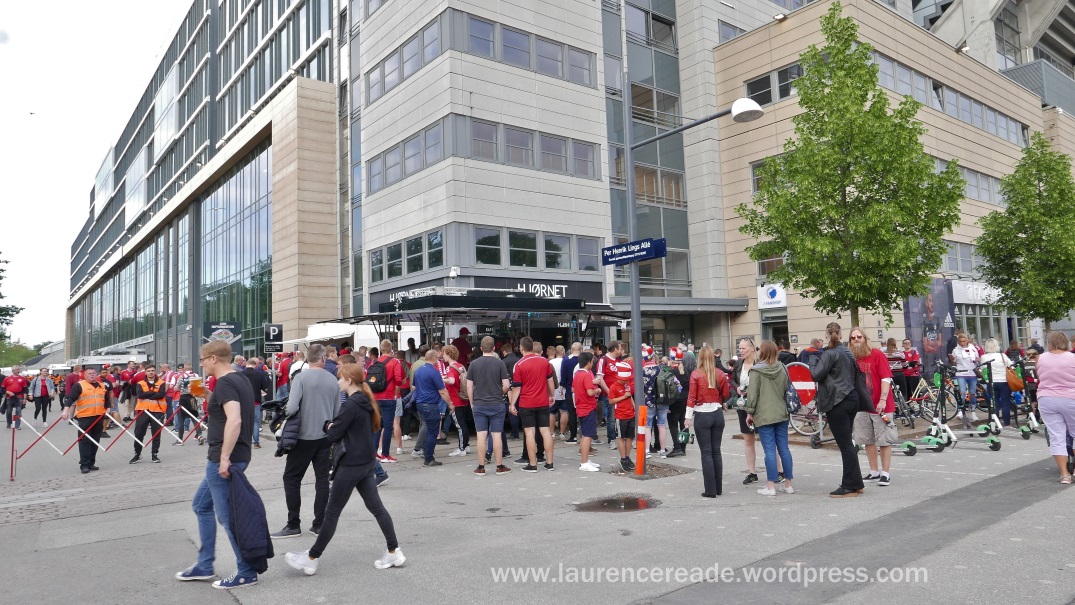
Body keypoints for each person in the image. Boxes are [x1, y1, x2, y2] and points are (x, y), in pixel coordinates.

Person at [283, 363, 405, 575]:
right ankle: (394, 550)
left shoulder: (351, 405)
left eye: (340, 378)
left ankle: (311, 558)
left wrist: (328, 426)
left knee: (331, 513)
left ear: (349, 380)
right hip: (365, 462)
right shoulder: (365, 401)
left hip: (350, 464)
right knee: (377, 508)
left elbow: (333, 434)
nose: (338, 381)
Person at [174, 339, 260, 589]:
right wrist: (207, 395)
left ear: (213, 358)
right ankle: (205, 565)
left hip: (225, 457)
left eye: (202, 359)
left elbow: (235, 420)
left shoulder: (226, 382)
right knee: (201, 505)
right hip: (233, 455)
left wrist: (224, 458)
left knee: (226, 516)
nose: (201, 364)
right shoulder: (238, 379)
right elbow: (228, 409)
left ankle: (246, 571)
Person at [273, 344, 340, 539]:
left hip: (303, 437)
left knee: (292, 478)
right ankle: (319, 524)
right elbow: (337, 412)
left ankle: (293, 523)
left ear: (308, 359)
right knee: (322, 480)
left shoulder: (300, 378)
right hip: (325, 437)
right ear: (323, 358)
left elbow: (292, 408)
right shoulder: (332, 379)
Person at [809, 322, 865, 498]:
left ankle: (850, 486)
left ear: (826, 335)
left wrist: (813, 361)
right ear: (840, 335)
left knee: (845, 445)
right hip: (851, 397)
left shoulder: (829, 353)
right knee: (848, 443)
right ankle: (856, 483)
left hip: (837, 401)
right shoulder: (847, 352)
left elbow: (816, 375)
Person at [745, 341, 794, 496]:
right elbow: (786, 388)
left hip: (764, 414)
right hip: (781, 412)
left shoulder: (756, 371)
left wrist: (749, 412)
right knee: (784, 449)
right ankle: (788, 484)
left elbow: (752, 395)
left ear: (763, 352)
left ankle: (771, 486)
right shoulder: (782, 367)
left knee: (769, 451)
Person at [850, 328, 896, 487]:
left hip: (880, 405)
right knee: (867, 440)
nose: (856, 339)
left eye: (859, 336)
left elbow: (886, 378)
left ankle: (886, 473)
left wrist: (882, 400)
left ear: (865, 338)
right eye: (853, 337)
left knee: (884, 440)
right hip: (861, 406)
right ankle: (874, 471)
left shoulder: (876, 354)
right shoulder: (852, 358)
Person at [685, 346, 731, 498]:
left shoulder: (696, 374)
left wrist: (687, 417)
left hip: (702, 415)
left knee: (706, 452)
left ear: (700, 358)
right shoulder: (720, 373)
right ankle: (718, 488)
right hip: (717, 414)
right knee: (716, 451)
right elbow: (726, 394)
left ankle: (710, 490)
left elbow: (692, 397)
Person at [510, 336, 556, 472]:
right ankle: (549, 462)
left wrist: (512, 404)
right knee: (545, 431)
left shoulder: (519, 364)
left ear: (521, 348)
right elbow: (550, 380)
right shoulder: (544, 362)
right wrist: (551, 395)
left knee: (529, 432)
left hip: (527, 402)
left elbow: (517, 387)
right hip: (543, 401)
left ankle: (532, 464)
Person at [467, 336, 512, 475]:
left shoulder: (474, 364)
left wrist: (472, 402)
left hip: (479, 403)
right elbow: (507, 385)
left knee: (481, 435)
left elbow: (469, 386)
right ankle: (499, 466)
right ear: (494, 348)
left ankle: (481, 467)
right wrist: (499, 393)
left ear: (481, 348)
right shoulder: (499, 363)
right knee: (496, 435)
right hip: (496, 403)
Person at [1034, 331, 1075, 484]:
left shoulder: (1041, 358)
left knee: (1057, 436)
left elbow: (1040, 375)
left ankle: (1064, 474)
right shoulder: (1073, 357)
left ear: (1049, 343)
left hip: (1047, 399)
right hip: (1071, 398)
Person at [62, 367, 111, 474]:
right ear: (85, 375)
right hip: (85, 417)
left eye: (94, 373)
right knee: (85, 441)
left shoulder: (101, 385)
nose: (92, 375)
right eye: (89, 373)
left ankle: (91, 463)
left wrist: (108, 408)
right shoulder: (79, 385)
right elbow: (71, 398)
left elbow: (106, 399)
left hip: (99, 416)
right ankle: (84, 464)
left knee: (95, 440)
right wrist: (65, 410)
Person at [729, 338, 763, 484]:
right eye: (740, 348)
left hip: (760, 406)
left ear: (752, 348)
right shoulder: (738, 365)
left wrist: (753, 391)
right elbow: (732, 380)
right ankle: (752, 473)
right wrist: (737, 388)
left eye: (743, 348)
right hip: (743, 406)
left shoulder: (760, 364)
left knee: (767, 439)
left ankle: (779, 471)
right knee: (748, 439)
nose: (741, 351)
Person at [412, 349, 453, 466]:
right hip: (431, 404)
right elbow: (443, 391)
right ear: (434, 359)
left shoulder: (418, 370)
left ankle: (425, 451)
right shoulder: (434, 372)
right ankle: (429, 458)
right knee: (433, 431)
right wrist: (450, 404)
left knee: (426, 426)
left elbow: (414, 387)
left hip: (420, 404)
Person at [370, 340, 404, 464]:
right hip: (389, 397)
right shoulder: (395, 362)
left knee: (377, 425)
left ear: (380, 349)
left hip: (375, 397)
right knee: (388, 426)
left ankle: (374, 452)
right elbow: (399, 379)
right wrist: (395, 393)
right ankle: (385, 454)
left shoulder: (374, 362)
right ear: (391, 349)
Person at [131, 364, 168, 464]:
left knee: (156, 433)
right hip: (143, 411)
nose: (151, 372)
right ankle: (137, 454)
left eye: (152, 370)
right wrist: (153, 393)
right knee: (139, 433)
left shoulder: (161, 382)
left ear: (155, 372)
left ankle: (154, 454)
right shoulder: (141, 383)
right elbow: (140, 395)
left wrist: (147, 394)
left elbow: (161, 395)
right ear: (145, 372)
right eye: (148, 371)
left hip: (157, 410)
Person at [571, 352, 601, 471]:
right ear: (589, 362)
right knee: (587, 436)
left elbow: (573, 389)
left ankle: (585, 460)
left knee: (585, 435)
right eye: (592, 361)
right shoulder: (587, 375)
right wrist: (597, 390)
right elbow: (590, 392)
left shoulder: (578, 374)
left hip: (580, 407)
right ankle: (584, 463)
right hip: (588, 407)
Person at [442, 345, 472, 457]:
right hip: (463, 398)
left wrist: (442, 379)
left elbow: (452, 381)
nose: (443, 356)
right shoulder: (461, 366)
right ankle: (466, 445)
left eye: (444, 354)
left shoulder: (450, 368)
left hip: (455, 399)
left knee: (459, 425)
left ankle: (462, 448)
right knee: (463, 423)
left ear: (449, 355)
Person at [980, 338, 1014, 430]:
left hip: (991, 382)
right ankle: (1007, 424)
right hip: (1004, 381)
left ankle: (996, 423)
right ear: (996, 346)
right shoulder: (1002, 355)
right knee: (1005, 403)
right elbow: (1011, 365)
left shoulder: (983, 357)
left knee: (994, 403)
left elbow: (983, 369)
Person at [609, 361, 637, 472]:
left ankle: (627, 457)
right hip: (620, 415)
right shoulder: (614, 387)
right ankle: (623, 458)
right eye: (625, 380)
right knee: (621, 437)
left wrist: (635, 409)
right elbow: (611, 401)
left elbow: (630, 398)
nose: (627, 381)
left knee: (630, 437)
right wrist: (623, 397)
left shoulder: (628, 385)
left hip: (630, 414)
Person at [594, 341, 622, 447]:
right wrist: (609, 392)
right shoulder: (603, 360)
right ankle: (612, 439)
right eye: (619, 348)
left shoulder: (618, 360)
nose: (621, 351)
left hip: (620, 393)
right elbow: (600, 378)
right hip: (609, 394)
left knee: (621, 417)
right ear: (615, 349)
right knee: (611, 418)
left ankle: (620, 436)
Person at [951, 331, 981, 426]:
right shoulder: (955, 350)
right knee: (962, 393)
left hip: (972, 373)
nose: (962, 343)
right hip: (961, 373)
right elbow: (954, 362)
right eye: (960, 341)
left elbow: (977, 360)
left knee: (972, 393)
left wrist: (977, 360)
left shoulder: (973, 349)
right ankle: (961, 411)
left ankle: (973, 412)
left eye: (964, 341)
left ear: (967, 340)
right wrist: (952, 360)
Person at [242, 359, 273, 449]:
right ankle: (256, 442)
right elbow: (265, 385)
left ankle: (246, 442)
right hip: (256, 400)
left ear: (247, 364)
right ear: (255, 365)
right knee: (256, 421)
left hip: (244, 401)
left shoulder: (241, 374)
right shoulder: (259, 374)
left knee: (245, 421)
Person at [560, 343, 581, 444]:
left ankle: (573, 436)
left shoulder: (566, 362)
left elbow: (563, 377)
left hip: (569, 390)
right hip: (582, 391)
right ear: (581, 350)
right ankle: (585, 435)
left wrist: (561, 387)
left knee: (572, 414)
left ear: (571, 350)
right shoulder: (583, 361)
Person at [883, 338, 907, 404]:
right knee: (903, 390)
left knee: (890, 391)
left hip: (889, 374)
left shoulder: (884, 353)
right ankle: (904, 404)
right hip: (899, 373)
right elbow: (904, 364)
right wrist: (905, 366)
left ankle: (893, 405)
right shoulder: (899, 352)